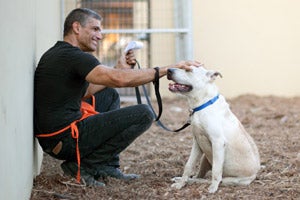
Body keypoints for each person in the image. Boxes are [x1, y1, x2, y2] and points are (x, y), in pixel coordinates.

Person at [34, 8, 200, 186]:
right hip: (64, 140)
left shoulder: (62, 53)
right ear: (76, 27)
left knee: (109, 94)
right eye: (95, 29)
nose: (100, 35)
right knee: (143, 113)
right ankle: (84, 167)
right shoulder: (74, 57)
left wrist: (118, 68)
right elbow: (118, 79)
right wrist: (168, 69)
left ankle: (107, 165)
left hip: (54, 138)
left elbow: (87, 91)